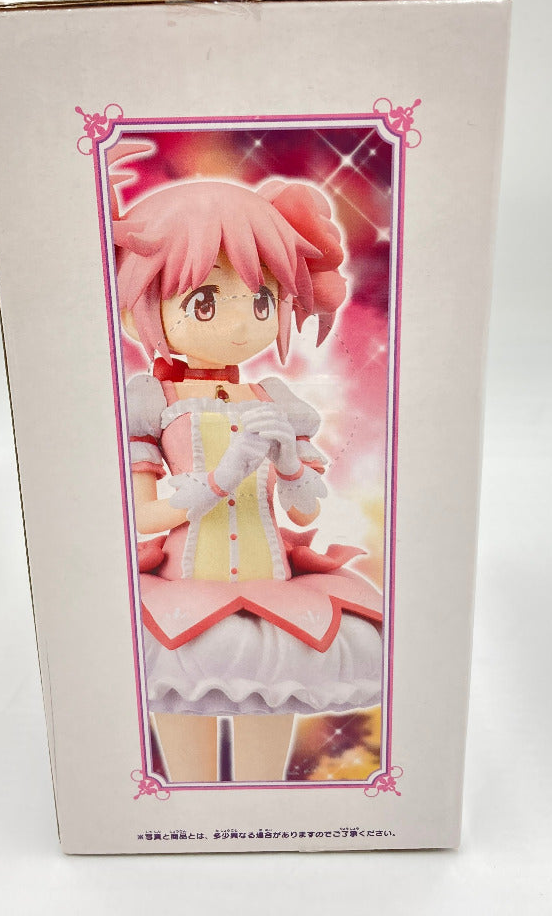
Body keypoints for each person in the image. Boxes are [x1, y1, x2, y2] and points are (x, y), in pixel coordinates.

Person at [110, 141, 383, 782]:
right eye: (205, 301)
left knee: (272, 715)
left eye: (262, 301)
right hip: (186, 593)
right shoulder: (154, 400)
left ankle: (263, 810)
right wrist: (219, 477)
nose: (241, 322)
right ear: (141, 305)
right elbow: (141, 516)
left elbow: (304, 511)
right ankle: (190, 817)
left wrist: (288, 462)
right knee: (187, 744)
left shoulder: (274, 397)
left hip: (273, 592)